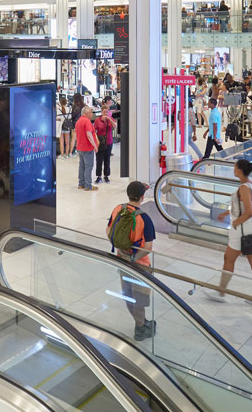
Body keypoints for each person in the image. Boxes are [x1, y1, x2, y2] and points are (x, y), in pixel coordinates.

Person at [106, 181, 157, 340]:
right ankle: (140, 328)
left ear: (128, 194)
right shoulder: (144, 218)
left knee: (128, 295)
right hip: (140, 265)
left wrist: (123, 251)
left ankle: (140, 322)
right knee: (139, 299)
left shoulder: (117, 209)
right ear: (142, 197)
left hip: (122, 260)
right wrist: (134, 257)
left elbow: (109, 231)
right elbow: (148, 246)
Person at [213, 159, 252, 303]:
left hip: (244, 230)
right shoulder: (250, 185)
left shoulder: (243, 188)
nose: (234, 169)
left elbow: (248, 211)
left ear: (239, 170)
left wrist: (236, 222)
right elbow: (243, 207)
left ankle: (221, 292)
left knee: (230, 258)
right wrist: (226, 214)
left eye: (235, 167)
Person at [75, 106, 98, 191]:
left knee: (82, 166)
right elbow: (89, 135)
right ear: (86, 113)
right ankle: (88, 185)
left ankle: (81, 184)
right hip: (87, 147)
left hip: (80, 147)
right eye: (91, 112)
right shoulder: (87, 121)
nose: (92, 114)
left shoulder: (78, 121)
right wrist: (95, 146)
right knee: (88, 166)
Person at [94, 105, 115, 184]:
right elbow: (94, 131)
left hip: (109, 142)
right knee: (99, 160)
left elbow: (115, 126)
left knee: (107, 160)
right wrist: (96, 141)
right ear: (101, 111)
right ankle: (98, 176)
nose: (105, 113)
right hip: (100, 143)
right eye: (104, 112)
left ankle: (106, 176)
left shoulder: (110, 119)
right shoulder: (97, 120)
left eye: (107, 112)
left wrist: (109, 119)